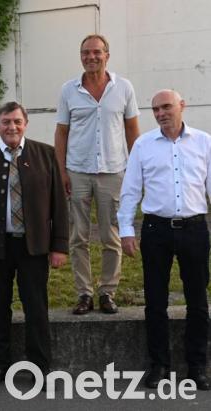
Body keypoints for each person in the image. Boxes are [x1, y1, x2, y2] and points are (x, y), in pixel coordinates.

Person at [0, 102, 68, 388]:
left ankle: (39, 367)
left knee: (36, 307)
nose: (12, 127)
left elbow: (59, 204)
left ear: (26, 124)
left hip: (34, 247)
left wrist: (60, 246)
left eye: (17, 121)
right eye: (6, 122)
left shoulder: (45, 155)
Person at [118, 90, 210, 390]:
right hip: (156, 231)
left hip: (195, 229)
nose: (160, 113)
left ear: (182, 106)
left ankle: (197, 366)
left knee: (197, 301)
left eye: (166, 107)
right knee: (155, 301)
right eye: (155, 109)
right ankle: (159, 364)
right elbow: (130, 190)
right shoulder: (143, 145)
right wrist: (127, 230)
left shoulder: (203, 142)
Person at [54, 34, 140, 315]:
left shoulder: (123, 88)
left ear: (107, 55)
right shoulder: (69, 90)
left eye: (96, 52)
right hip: (77, 171)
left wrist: (135, 169)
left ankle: (107, 292)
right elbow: (62, 132)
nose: (91, 57)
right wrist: (62, 170)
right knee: (78, 236)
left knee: (110, 235)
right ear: (81, 56)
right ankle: (84, 293)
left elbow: (131, 130)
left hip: (113, 171)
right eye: (86, 53)